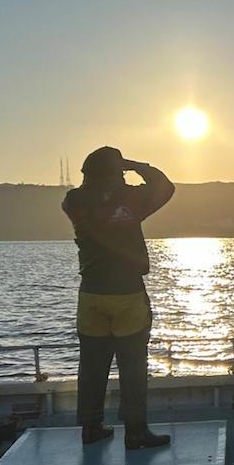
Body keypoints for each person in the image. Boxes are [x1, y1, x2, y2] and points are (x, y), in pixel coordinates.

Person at [62, 146, 175, 449]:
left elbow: (90, 196)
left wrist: (116, 171)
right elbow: (165, 187)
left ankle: (91, 427)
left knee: (92, 365)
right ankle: (136, 432)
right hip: (126, 293)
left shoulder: (73, 201)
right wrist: (137, 164)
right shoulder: (131, 200)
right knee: (133, 365)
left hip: (91, 294)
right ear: (116, 173)